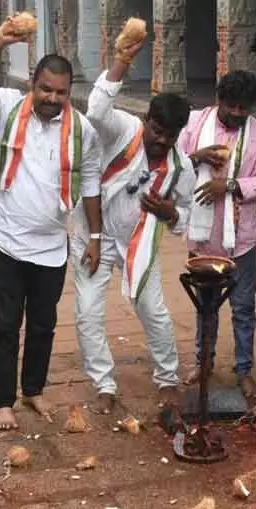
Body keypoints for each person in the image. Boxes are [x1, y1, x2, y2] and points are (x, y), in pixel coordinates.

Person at [0, 16, 103, 431]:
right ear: (32, 85)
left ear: (69, 92)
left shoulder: (83, 130)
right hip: (3, 237)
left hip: (53, 243)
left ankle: (33, 390)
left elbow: (91, 182)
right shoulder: (6, 106)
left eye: (60, 92)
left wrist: (94, 236)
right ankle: (4, 401)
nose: (52, 98)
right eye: (45, 89)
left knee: (44, 323)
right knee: (6, 324)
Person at [72, 31, 195, 414]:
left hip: (140, 244)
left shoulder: (181, 168)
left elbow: (185, 218)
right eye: (157, 131)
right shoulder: (123, 129)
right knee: (88, 312)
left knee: (153, 311)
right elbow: (95, 111)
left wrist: (169, 213)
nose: (160, 141)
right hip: (94, 236)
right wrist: (122, 59)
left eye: (169, 137)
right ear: (147, 120)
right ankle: (104, 384)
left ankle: (168, 379)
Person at [178, 70, 256, 399]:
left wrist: (230, 186)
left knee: (243, 306)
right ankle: (203, 362)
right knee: (205, 305)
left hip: (240, 237)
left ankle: (244, 369)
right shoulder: (194, 124)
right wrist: (196, 158)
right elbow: (174, 165)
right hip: (203, 236)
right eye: (230, 106)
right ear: (218, 99)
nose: (236, 113)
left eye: (242, 108)